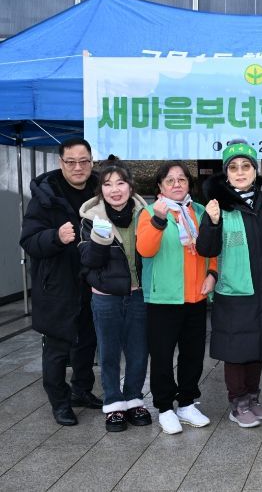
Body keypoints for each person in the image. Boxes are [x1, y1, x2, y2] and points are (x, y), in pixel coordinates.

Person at [20, 138, 103, 426]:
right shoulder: (46, 196)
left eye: (84, 161)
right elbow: (29, 240)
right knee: (57, 347)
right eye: (71, 162)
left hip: (92, 280)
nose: (78, 167)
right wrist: (55, 237)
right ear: (61, 162)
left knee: (88, 341)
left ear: (91, 162)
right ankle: (60, 402)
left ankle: (82, 390)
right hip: (57, 284)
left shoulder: (100, 190)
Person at [196, 140, 262, 429]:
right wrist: (212, 223)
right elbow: (206, 249)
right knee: (236, 351)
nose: (240, 172)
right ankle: (238, 403)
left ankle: (253, 398)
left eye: (246, 166)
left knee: (258, 346)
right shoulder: (219, 207)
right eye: (233, 168)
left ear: (256, 171)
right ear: (226, 173)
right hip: (235, 291)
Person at [136, 161, 217, 435]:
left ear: (189, 183)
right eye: (169, 180)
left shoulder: (201, 211)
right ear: (160, 186)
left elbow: (211, 248)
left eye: (181, 179)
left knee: (193, 354)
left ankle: (186, 402)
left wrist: (213, 274)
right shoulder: (150, 212)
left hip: (196, 296)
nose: (176, 184)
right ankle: (164, 407)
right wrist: (159, 221)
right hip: (163, 297)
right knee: (161, 355)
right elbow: (145, 250)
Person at [78, 157, 152, 432]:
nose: (115, 189)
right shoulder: (91, 218)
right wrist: (100, 240)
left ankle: (134, 400)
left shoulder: (145, 215)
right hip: (105, 296)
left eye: (120, 183)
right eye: (108, 184)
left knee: (138, 351)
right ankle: (113, 404)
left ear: (130, 186)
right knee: (108, 353)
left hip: (138, 294)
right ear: (101, 190)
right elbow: (88, 260)